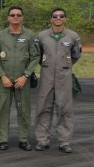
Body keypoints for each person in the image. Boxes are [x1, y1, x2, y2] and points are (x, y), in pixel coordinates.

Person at [0, 5, 40, 151]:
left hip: (22, 80)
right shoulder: (0, 36)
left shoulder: (30, 36)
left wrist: (26, 75)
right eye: (12, 15)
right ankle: (2, 139)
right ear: (8, 18)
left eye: (18, 15)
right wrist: (2, 76)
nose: (15, 17)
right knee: (2, 110)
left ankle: (23, 139)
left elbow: (35, 56)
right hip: (3, 81)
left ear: (22, 17)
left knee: (24, 111)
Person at [34, 8, 82, 153]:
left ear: (65, 19)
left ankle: (64, 142)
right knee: (43, 108)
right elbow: (38, 55)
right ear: (51, 19)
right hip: (46, 75)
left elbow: (76, 55)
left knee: (64, 109)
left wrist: (64, 66)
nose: (58, 18)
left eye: (61, 16)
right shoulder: (42, 36)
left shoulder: (72, 36)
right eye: (55, 16)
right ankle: (42, 140)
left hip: (64, 76)